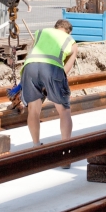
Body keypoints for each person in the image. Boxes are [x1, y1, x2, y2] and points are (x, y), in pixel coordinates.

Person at [20, 18, 77, 148]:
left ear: (55, 27)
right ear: (68, 32)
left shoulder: (41, 33)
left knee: (33, 110)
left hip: (30, 68)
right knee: (64, 110)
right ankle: (66, 149)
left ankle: (35, 145)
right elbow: (66, 69)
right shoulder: (71, 41)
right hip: (51, 69)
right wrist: (57, 86)